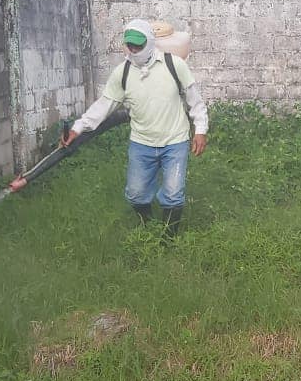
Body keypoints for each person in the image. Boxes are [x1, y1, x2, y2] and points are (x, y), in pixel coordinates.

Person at [61, 18, 208, 234]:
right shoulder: (123, 73)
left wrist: (200, 130)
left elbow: (195, 101)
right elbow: (104, 105)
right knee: (136, 194)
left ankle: (168, 239)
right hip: (142, 143)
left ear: (150, 42)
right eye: (130, 45)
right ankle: (147, 227)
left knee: (173, 194)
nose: (133, 50)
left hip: (175, 141)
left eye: (138, 45)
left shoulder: (174, 65)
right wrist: (77, 128)